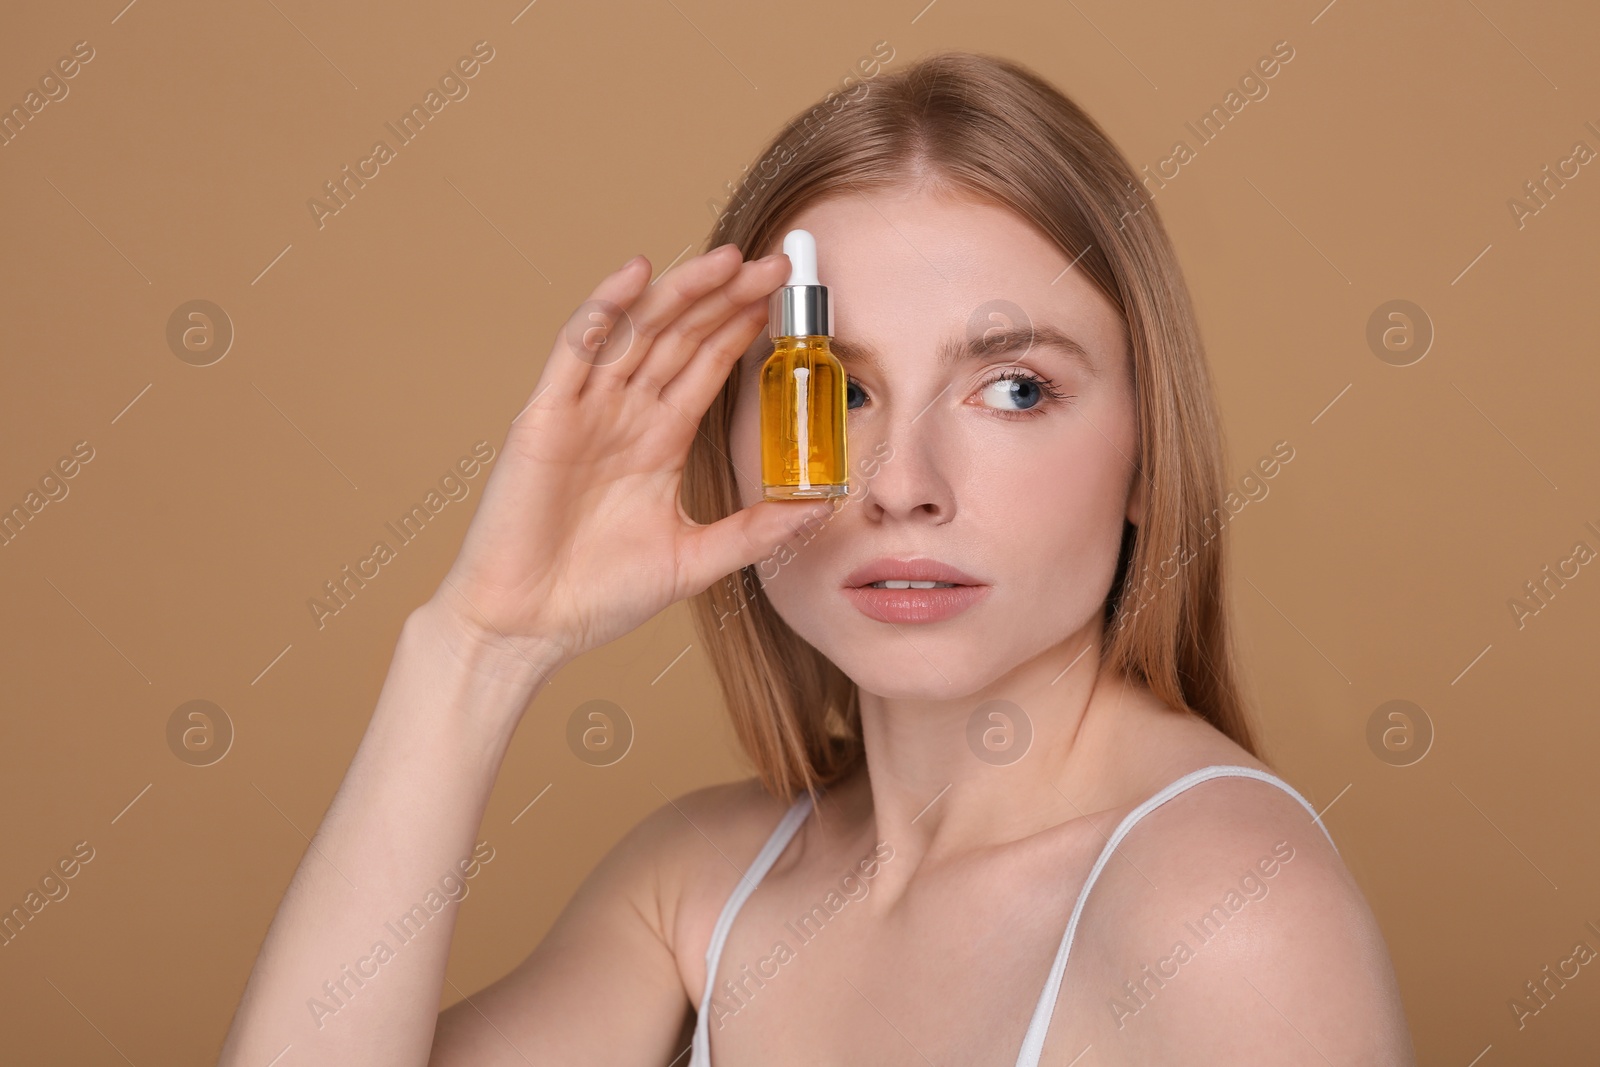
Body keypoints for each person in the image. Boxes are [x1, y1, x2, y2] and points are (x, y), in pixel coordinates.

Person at [218, 50, 1417, 1066]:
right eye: (831, 389)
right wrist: (476, 649)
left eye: (1013, 387)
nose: (902, 483)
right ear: (728, 441)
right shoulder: (701, 882)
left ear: (1149, 456)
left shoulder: (1226, 906)